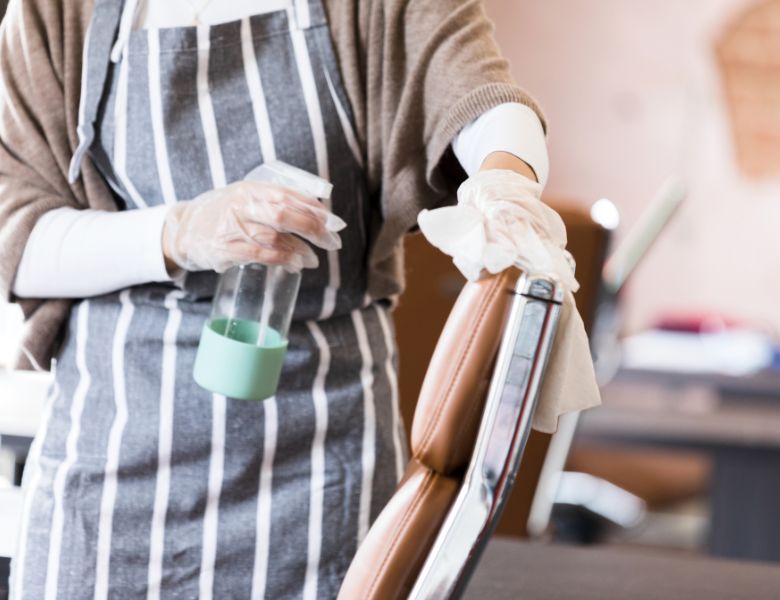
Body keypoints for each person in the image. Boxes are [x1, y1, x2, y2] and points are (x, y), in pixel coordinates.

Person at [0, 0, 553, 597]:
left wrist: (505, 180)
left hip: (318, 464)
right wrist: (178, 232)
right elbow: (14, 230)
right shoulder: (55, 12)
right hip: (112, 464)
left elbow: (481, 98)